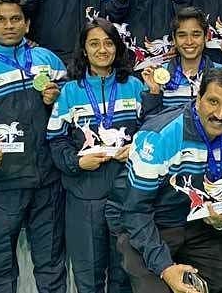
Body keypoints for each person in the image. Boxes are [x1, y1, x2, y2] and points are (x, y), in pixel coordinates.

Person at [0, 0, 68, 293]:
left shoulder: (49, 61)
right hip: (0, 184)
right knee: (1, 266)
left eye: (15, 19)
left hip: (48, 181)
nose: (9, 25)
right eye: (1, 20)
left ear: (27, 24)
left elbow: (72, 112)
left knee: (50, 265)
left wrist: (58, 98)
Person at [118, 67, 222, 293]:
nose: (220, 114)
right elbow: (135, 211)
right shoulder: (159, 134)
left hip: (196, 224)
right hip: (149, 225)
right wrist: (165, 268)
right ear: (198, 99)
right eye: (212, 101)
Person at [47, 18, 143, 293]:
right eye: (94, 44)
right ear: (84, 50)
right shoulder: (70, 91)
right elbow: (55, 139)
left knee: (124, 276)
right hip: (84, 197)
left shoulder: (134, 87)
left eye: (108, 43)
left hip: (126, 195)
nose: (102, 49)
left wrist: (134, 148)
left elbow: (150, 134)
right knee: (88, 279)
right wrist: (76, 162)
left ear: (117, 48)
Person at [141, 6, 220, 117]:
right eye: (182, 35)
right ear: (174, 39)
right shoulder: (157, 75)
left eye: (196, 35)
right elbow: (149, 126)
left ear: (206, 37)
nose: (189, 42)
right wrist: (154, 92)